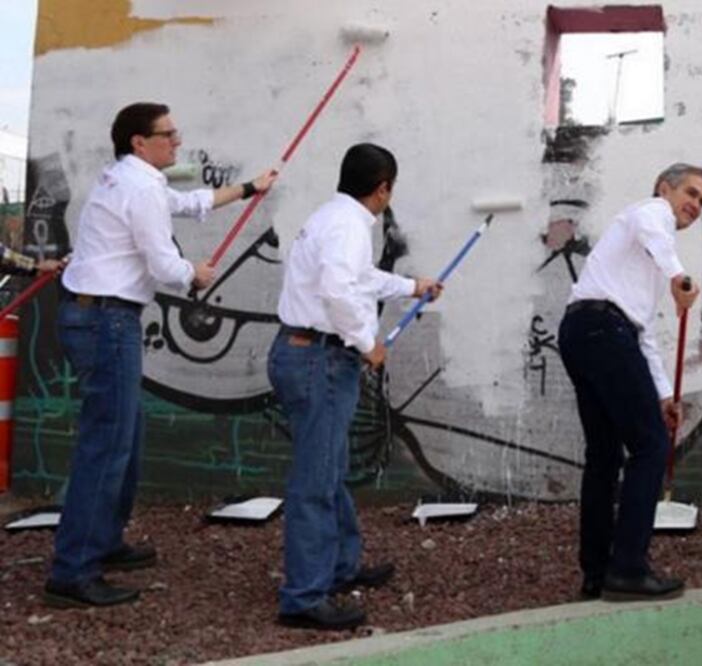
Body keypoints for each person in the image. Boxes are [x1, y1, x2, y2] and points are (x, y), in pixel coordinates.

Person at [43, 102, 277, 608]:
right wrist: (194, 274)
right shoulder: (140, 187)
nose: (177, 140)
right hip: (107, 321)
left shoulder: (128, 179)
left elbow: (188, 203)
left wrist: (249, 188)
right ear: (139, 142)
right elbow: (163, 262)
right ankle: (73, 572)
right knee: (108, 445)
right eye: (167, 134)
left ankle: (103, 541)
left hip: (98, 316)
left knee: (123, 436)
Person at [269, 143, 442, 630]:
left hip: (305, 354)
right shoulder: (349, 226)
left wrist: (411, 286)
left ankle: (340, 566)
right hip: (320, 359)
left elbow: (358, 277)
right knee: (316, 480)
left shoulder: (333, 217)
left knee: (330, 467)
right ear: (383, 188)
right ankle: (304, 597)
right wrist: (368, 344)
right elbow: (338, 290)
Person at [558, 163, 702, 601]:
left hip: (585, 331)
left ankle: (597, 573)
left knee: (605, 456)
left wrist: (664, 395)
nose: (696, 205)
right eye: (691, 193)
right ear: (665, 188)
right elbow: (652, 225)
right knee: (651, 447)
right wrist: (679, 277)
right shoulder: (651, 212)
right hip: (603, 330)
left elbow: (641, 333)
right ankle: (627, 569)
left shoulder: (644, 258)